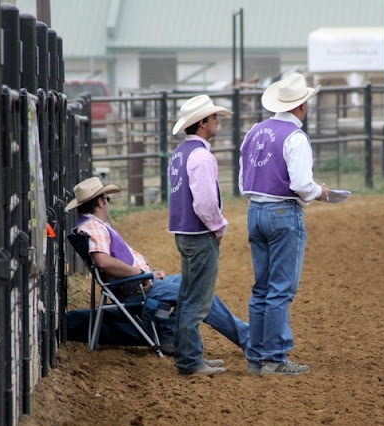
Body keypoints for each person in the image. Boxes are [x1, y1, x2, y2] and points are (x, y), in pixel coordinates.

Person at [64, 177, 248, 372]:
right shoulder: (94, 227)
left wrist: (148, 273)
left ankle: (171, 336)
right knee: (199, 292)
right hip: (136, 287)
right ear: (101, 202)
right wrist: (141, 274)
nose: (108, 204)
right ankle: (245, 339)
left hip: (138, 282)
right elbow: (103, 261)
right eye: (107, 200)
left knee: (195, 284)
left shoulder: (91, 225)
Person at [238, 73, 331, 376]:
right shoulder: (295, 138)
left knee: (262, 288)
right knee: (280, 289)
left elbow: (243, 181)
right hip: (283, 213)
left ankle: (256, 357)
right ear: (301, 105)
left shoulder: (254, 131)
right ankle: (275, 358)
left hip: (255, 211)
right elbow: (303, 184)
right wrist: (321, 192)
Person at [168, 95, 232, 375]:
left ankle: (188, 356)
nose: (217, 120)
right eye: (213, 117)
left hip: (183, 231)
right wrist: (218, 226)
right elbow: (205, 203)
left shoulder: (180, 153)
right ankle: (190, 361)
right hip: (199, 233)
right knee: (197, 300)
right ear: (202, 123)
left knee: (187, 296)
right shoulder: (202, 156)